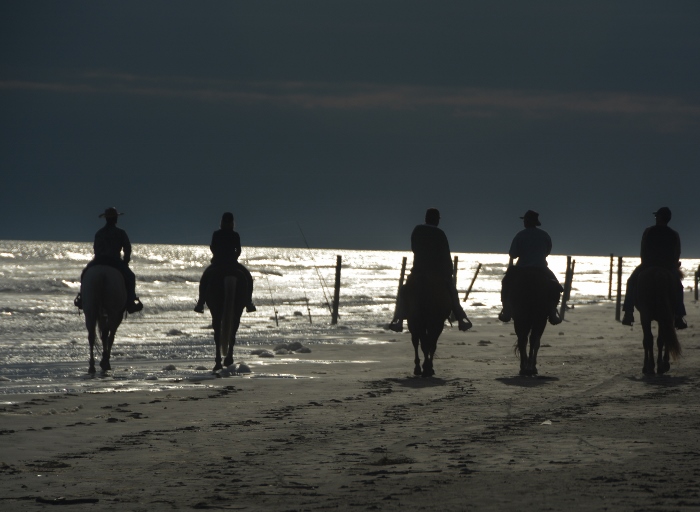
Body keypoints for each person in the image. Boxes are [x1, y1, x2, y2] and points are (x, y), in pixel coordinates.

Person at [389, 208, 472, 332]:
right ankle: (460, 318)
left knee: (405, 290)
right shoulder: (440, 234)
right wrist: (449, 273)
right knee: (452, 293)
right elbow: (446, 255)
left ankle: (398, 319)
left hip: (418, 271)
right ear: (436, 220)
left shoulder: (417, 230)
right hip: (438, 273)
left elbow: (414, 248)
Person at [622, 207, 687, 329]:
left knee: (630, 282)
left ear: (660, 217)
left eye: (657, 216)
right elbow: (676, 253)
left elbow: (643, 250)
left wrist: (645, 263)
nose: (656, 218)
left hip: (648, 265)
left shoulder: (648, 231)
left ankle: (628, 313)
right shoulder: (674, 234)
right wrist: (673, 264)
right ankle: (679, 316)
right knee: (679, 287)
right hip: (667, 267)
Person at [74, 207, 143, 314]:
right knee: (130, 277)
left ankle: (82, 298)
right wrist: (125, 262)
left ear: (106, 219)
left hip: (99, 261)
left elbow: (96, 249)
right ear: (115, 219)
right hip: (115, 261)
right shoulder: (120, 233)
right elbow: (127, 249)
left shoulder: (99, 233)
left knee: (84, 274)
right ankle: (131, 301)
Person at [499, 210, 562, 325]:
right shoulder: (544, 235)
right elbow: (547, 251)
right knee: (556, 287)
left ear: (527, 222)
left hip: (521, 268)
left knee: (506, 283)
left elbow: (513, 254)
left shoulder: (520, 235)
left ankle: (506, 310)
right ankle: (552, 312)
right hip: (541, 268)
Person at [194, 212, 255, 314]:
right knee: (248, 278)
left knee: (205, 279)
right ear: (232, 223)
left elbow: (213, 247)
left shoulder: (217, 234)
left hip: (218, 262)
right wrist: (233, 257)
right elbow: (238, 250)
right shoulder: (235, 235)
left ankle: (200, 303)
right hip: (232, 263)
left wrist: (217, 255)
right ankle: (248, 302)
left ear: (222, 222)